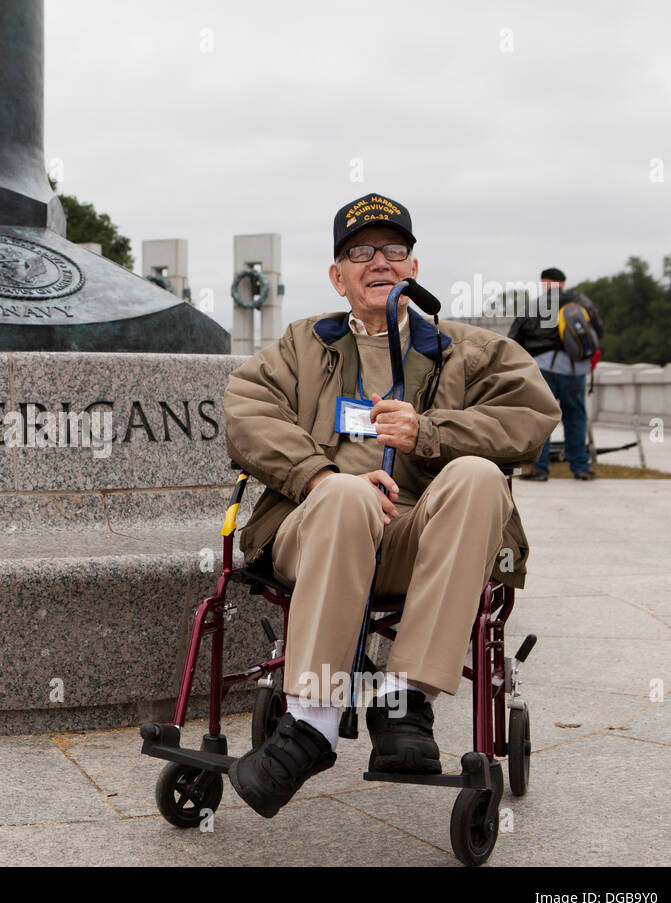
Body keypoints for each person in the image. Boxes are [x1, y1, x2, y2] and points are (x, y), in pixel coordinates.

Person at [222, 193, 560, 818]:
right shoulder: (301, 344)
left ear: (413, 267)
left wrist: (431, 431)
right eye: (359, 253)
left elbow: (532, 415)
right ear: (337, 276)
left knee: (480, 477)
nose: (378, 262)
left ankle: (404, 697)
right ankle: (314, 722)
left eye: (393, 250)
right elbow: (246, 412)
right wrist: (318, 475)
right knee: (347, 493)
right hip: (315, 527)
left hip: (417, 541)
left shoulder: (470, 350)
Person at [508, 268, 604, 480]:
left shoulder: (536, 305)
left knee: (543, 416)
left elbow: (514, 337)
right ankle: (580, 467)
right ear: (563, 283)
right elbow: (599, 329)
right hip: (575, 368)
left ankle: (540, 468)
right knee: (576, 416)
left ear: (544, 282)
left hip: (544, 368)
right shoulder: (581, 302)